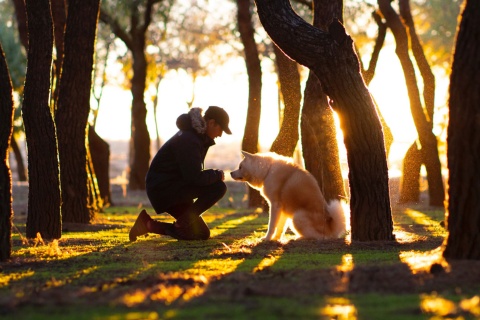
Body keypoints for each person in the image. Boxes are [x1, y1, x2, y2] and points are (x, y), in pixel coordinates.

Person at [129, 106, 231, 241]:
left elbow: (191, 174)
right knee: (218, 187)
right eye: (221, 129)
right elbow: (194, 178)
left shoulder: (196, 137)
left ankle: (147, 224)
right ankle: (181, 225)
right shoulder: (190, 139)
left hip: (172, 187)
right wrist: (216, 175)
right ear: (212, 123)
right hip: (165, 189)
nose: (220, 134)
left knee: (200, 234)